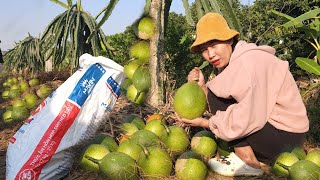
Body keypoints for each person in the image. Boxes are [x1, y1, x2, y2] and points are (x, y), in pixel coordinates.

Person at [175, 12, 309, 176]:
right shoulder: (243, 58)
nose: (210, 55)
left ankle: (249, 162)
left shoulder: (248, 64)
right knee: (216, 94)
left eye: (214, 45)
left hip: (285, 143)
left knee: (217, 97)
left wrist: (205, 123)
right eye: (204, 50)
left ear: (230, 40)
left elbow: (247, 116)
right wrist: (201, 87)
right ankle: (251, 156)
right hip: (288, 136)